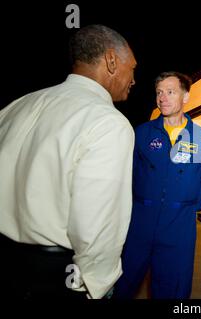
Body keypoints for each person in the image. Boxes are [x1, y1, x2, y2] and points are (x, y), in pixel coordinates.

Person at [0, 24, 137, 299]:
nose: (134, 79)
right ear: (111, 60)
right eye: (132, 68)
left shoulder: (16, 106)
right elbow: (97, 225)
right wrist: (96, 284)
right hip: (52, 276)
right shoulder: (108, 123)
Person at [113, 71, 201, 299]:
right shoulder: (142, 133)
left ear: (185, 97)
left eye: (170, 92)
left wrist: (190, 205)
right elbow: (127, 172)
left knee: (173, 287)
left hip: (179, 225)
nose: (163, 98)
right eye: (159, 92)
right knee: (123, 281)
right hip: (140, 221)